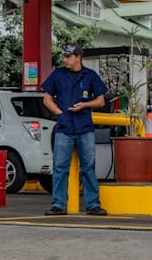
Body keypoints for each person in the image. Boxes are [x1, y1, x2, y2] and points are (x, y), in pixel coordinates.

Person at [41, 43, 108, 216]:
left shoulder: (90, 76)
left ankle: (93, 205)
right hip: (64, 128)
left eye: (68, 56)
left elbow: (101, 101)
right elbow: (47, 99)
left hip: (85, 128)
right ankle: (58, 204)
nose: (64, 59)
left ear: (78, 57)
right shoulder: (58, 75)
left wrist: (85, 105)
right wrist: (60, 113)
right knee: (60, 168)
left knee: (88, 168)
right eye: (64, 56)